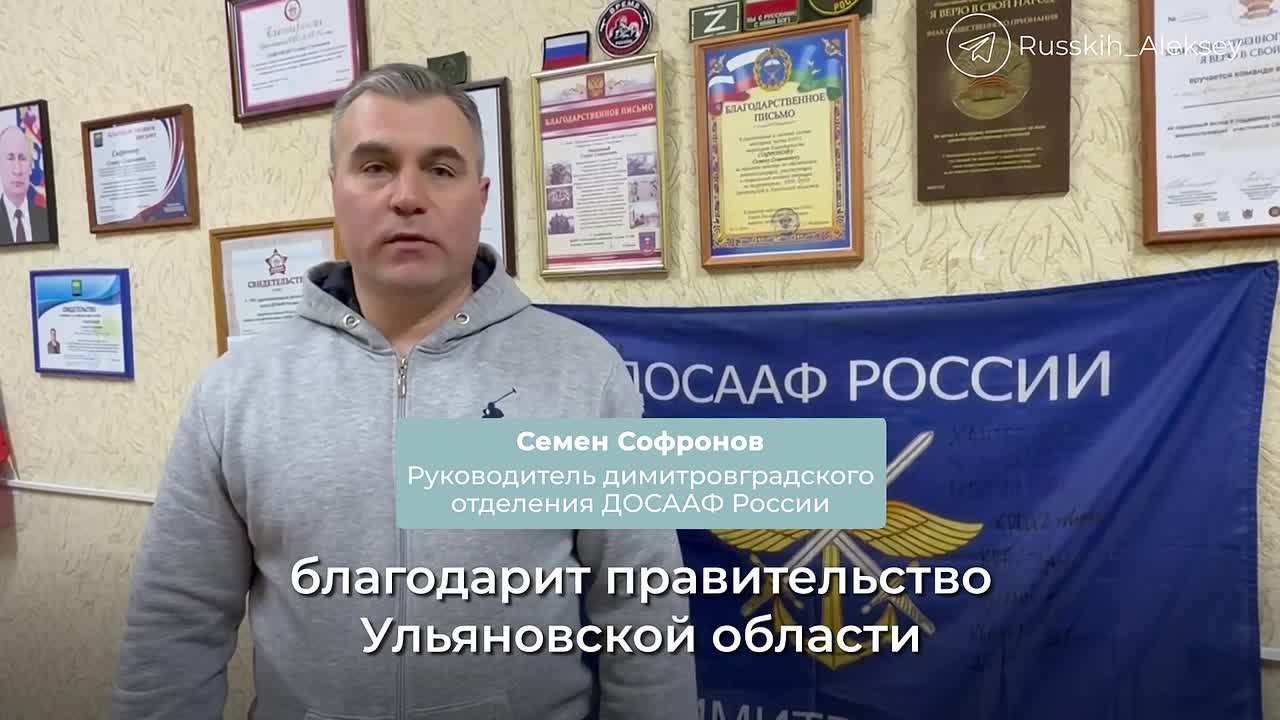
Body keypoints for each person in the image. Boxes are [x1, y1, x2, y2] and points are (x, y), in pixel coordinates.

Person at [109, 63, 699, 720]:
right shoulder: (235, 392)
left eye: (440, 169)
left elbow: (644, 613)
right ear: (336, 189)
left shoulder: (583, 374)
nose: (408, 196)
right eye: (376, 166)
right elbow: (174, 626)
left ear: (480, 197)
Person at [0, 125, 48, 245]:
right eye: (10, 158)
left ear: (30, 167)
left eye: (22, 158)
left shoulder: (46, 218)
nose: (17, 170)